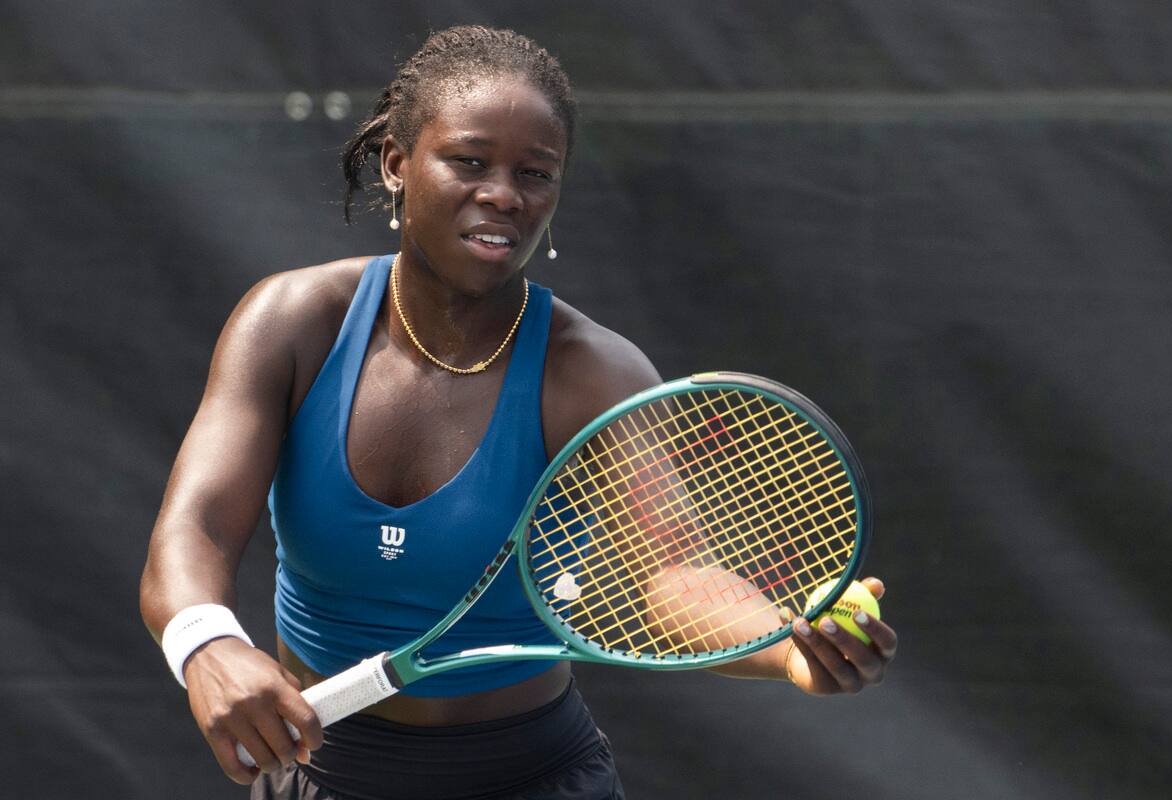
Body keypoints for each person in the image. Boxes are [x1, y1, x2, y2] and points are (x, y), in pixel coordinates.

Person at [139, 25, 897, 800]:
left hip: (533, 780)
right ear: (399, 165)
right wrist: (207, 644)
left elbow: (664, 578)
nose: (504, 193)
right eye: (469, 161)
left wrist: (788, 651)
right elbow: (196, 525)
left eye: (535, 173)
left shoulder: (592, 373)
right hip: (320, 773)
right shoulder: (292, 323)